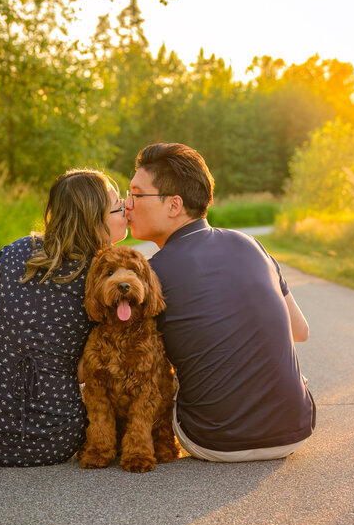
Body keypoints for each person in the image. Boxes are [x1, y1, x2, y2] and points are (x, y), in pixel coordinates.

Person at [125, 143, 315, 462]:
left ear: (174, 205)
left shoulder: (150, 275)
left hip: (211, 440)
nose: (126, 205)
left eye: (135, 194)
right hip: (294, 433)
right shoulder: (250, 244)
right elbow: (299, 330)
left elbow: (129, 364)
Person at [0, 169, 128, 467]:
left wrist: (4, 357)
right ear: (94, 218)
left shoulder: (13, 251)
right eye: (119, 206)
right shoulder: (99, 274)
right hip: (54, 437)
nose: (127, 210)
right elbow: (88, 368)